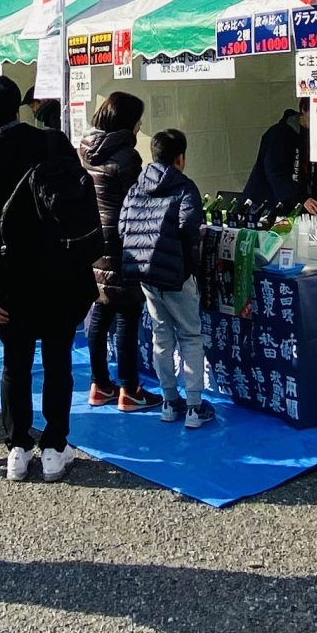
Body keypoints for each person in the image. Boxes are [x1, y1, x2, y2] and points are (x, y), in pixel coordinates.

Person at [0, 75, 98, 482]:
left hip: (12, 281)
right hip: (62, 273)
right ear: (18, 107)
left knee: (15, 365)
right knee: (59, 361)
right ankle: (56, 447)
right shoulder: (53, 142)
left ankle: (18, 449)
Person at [118, 127, 211, 427]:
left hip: (146, 275)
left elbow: (123, 226)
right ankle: (195, 406)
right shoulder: (184, 187)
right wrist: (188, 264)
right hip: (177, 276)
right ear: (180, 158)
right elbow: (189, 228)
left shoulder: (136, 186)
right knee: (190, 336)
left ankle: (170, 402)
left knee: (162, 335)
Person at [80, 90, 158, 410]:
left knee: (101, 306)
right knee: (127, 310)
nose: (141, 125)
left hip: (94, 236)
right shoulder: (127, 155)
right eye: (138, 118)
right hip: (123, 239)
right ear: (129, 121)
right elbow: (137, 202)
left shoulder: (85, 148)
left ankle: (100, 384)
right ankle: (130, 389)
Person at [244, 107, 317, 215]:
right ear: (304, 109)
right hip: (267, 205)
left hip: (299, 206)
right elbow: (275, 173)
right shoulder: (279, 134)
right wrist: (301, 198)